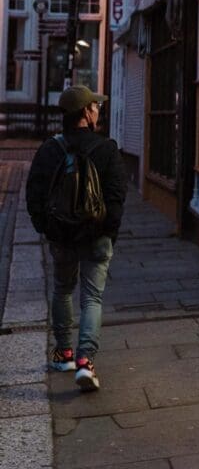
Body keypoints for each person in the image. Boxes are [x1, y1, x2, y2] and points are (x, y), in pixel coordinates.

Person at [25, 85, 127, 393]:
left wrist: (47, 228)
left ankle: (63, 354)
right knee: (92, 297)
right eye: (95, 106)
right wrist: (107, 230)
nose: (98, 110)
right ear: (85, 113)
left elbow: (34, 194)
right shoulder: (107, 149)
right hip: (96, 235)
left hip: (61, 236)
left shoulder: (49, 150)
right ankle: (86, 362)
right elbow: (116, 197)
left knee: (63, 289)